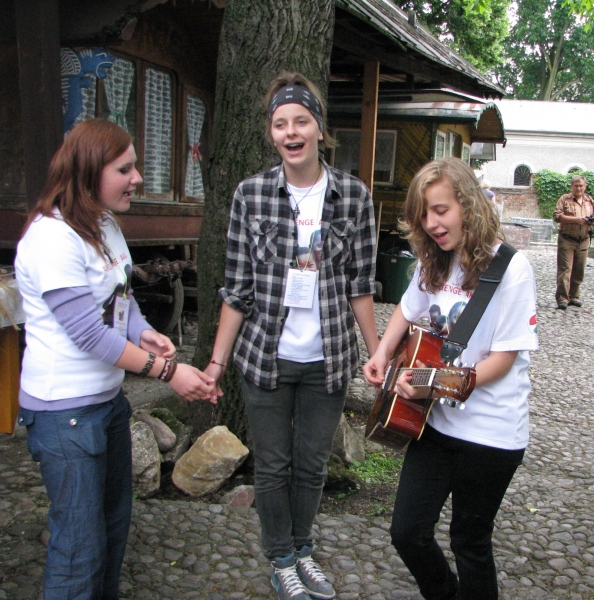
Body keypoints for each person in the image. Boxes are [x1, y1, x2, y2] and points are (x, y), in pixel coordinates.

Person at [14, 118, 216, 599]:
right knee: (78, 551)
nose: (137, 178)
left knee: (109, 531)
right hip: (65, 415)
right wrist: (168, 372)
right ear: (88, 172)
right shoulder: (52, 238)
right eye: (124, 169)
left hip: (105, 406)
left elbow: (120, 298)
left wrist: (145, 333)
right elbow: (87, 333)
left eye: (135, 167)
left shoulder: (103, 224)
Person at [204, 71, 379, 600]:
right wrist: (216, 364)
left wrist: (377, 355)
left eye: (301, 121)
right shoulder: (251, 195)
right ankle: (281, 559)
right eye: (280, 124)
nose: (291, 132)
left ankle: (303, 549)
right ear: (271, 133)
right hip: (266, 358)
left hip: (329, 358)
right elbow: (237, 289)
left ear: (320, 128)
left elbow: (362, 286)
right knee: (273, 466)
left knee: (312, 465)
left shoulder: (354, 196)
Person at [363, 157, 539, 600]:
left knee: (469, 543)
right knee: (407, 532)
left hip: (492, 434)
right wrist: (382, 353)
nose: (431, 224)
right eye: (424, 214)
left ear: (469, 205)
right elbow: (407, 308)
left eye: (441, 210)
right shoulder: (436, 261)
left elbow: (502, 360)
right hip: (436, 424)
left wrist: (430, 382)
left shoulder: (511, 268)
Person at [553, 174, 594, 309]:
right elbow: (557, 216)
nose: (579, 188)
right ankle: (562, 298)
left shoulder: (589, 200)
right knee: (565, 269)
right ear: (571, 186)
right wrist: (576, 220)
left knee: (579, 270)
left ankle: (574, 296)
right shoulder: (564, 199)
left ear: (585, 186)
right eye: (576, 186)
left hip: (583, 239)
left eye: (581, 186)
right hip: (567, 239)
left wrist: (593, 220)